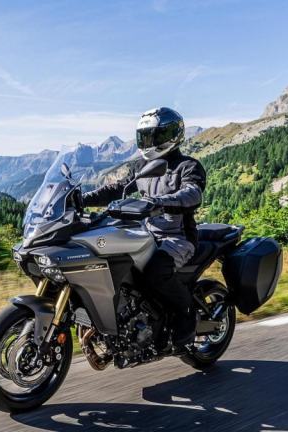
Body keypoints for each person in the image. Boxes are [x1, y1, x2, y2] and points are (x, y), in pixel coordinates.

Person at [82, 107, 206, 346]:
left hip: (177, 237)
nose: (148, 142)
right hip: (144, 233)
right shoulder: (142, 166)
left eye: (154, 136)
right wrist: (81, 199)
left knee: (155, 271)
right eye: (145, 136)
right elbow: (117, 188)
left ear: (171, 135)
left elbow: (192, 193)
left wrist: (160, 202)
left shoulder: (187, 166)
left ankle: (187, 314)